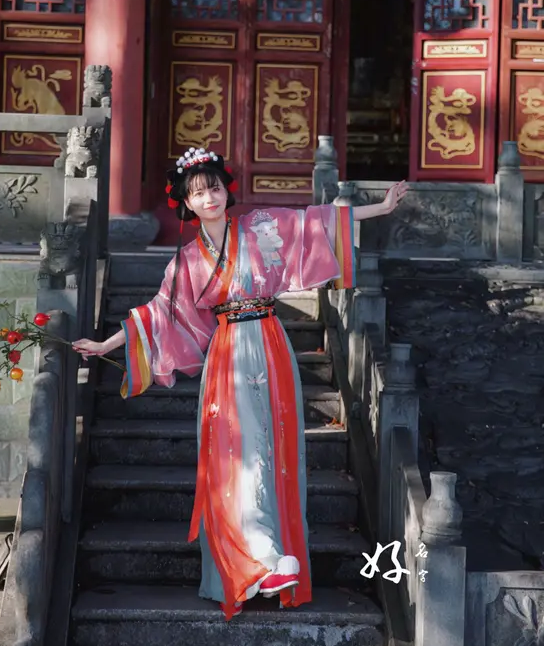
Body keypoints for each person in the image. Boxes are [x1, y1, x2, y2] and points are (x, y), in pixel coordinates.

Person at [73, 147, 408, 620]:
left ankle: (266, 561)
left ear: (226, 190)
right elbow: (158, 314)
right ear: (185, 203)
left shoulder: (259, 227)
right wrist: (105, 344)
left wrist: (381, 208)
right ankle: (262, 557)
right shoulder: (188, 260)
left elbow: (313, 223)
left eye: (213, 187)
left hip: (271, 346)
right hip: (228, 354)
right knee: (239, 453)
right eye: (197, 193)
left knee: (271, 450)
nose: (208, 198)